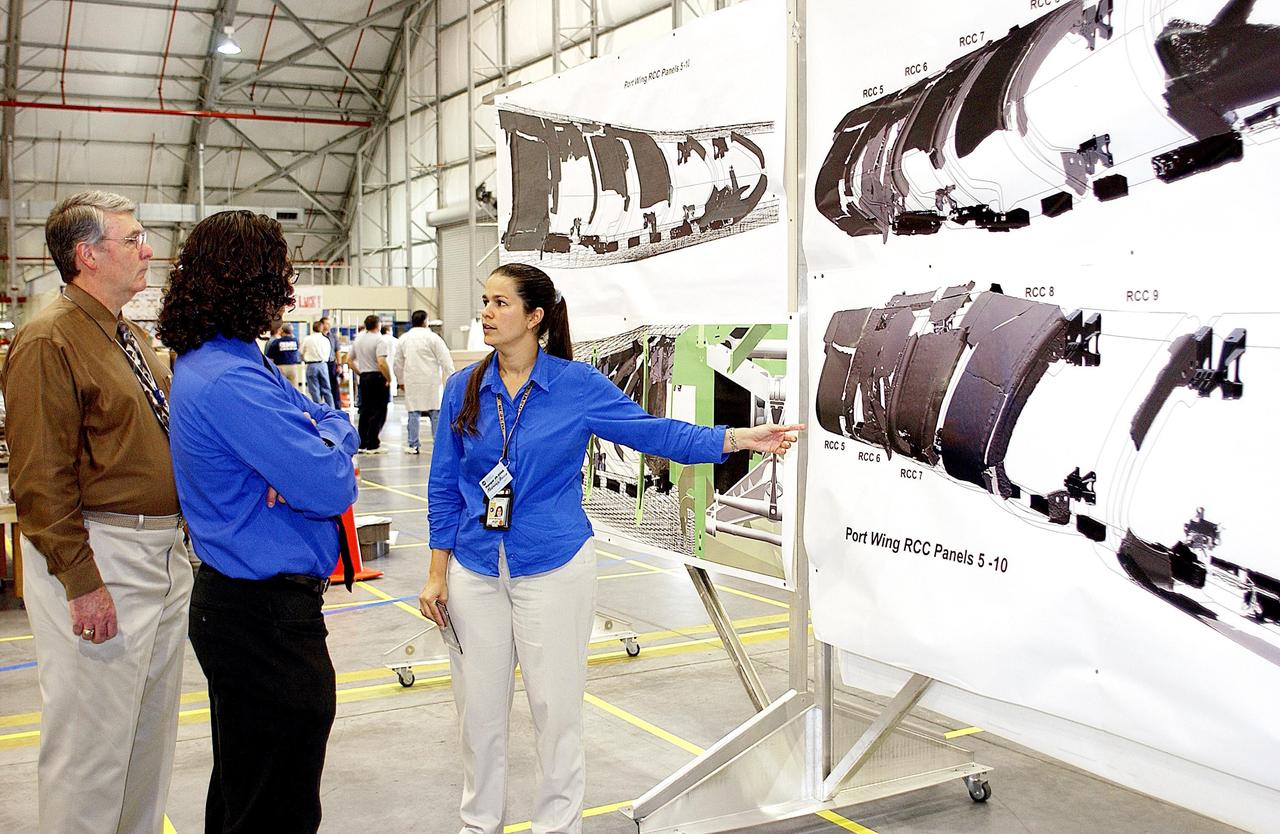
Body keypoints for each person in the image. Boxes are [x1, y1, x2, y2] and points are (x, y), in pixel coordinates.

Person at [418, 264, 801, 834]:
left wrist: (734, 438)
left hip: (554, 568)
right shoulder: (464, 388)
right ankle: (479, 826)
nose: (487, 313)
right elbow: (443, 485)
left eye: (500, 302)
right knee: (479, 718)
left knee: (556, 714)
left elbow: (653, 432)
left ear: (535, 316)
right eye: (485, 302)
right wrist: (436, 573)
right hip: (475, 569)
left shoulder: (576, 386)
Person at [157, 210, 359, 833]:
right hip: (262, 618)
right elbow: (328, 485)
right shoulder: (229, 380)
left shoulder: (233, 359)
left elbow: (331, 421)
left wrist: (321, 439)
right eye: (280, 273)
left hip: (250, 611)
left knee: (251, 791)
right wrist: (317, 448)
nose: (288, 288)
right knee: (275, 805)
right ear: (250, 281)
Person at [1, 191, 194, 833]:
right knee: (90, 750)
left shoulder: (126, 332)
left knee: (145, 744)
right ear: (87, 255)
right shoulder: (47, 339)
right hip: (100, 557)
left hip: (159, 556)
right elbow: (40, 479)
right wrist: (82, 585)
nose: (148, 250)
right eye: (133, 238)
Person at [395, 309, 455, 455]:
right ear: (425, 321)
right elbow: (445, 359)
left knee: (413, 413)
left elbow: (398, 362)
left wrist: (400, 380)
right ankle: (438, 444)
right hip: (431, 381)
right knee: (435, 413)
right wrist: (451, 379)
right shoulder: (433, 338)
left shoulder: (404, 339)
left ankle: (413, 444)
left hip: (412, 381)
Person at [350, 314, 391, 453]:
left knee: (365, 411)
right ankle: (373, 443)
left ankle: (362, 443)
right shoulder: (379, 340)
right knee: (379, 410)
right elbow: (381, 362)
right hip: (377, 377)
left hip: (365, 377)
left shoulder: (358, 340)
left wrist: (360, 372)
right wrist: (389, 378)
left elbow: (348, 360)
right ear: (378, 325)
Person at [301, 317, 335, 406]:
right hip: (323, 365)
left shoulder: (307, 339)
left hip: (311, 365)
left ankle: (318, 408)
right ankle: (331, 409)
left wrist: (304, 358)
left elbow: (301, 352)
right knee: (327, 389)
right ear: (321, 328)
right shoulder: (325, 339)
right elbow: (329, 352)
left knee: (314, 389)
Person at [266, 322, 305, 393]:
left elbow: (270, 357)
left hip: (280, 367)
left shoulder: (277, 342)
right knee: (294, 389)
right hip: (293, 367)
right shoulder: (295, 341)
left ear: (282, 330)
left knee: (282, 388)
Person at [321, 316, 343, 407]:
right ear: (322, 324)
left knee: (334, 386)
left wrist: (339, 364)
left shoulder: (333, 337)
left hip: (331, 363)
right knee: (322, 386)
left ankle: (336, 406)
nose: (329, 325)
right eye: (327, 323)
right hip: (322, 363)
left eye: (329, 323)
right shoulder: (318, 336)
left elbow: (337, 350)